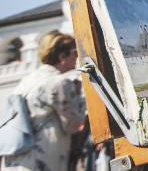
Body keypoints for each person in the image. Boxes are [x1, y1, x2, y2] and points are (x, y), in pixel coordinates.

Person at [3, 31, 87, 171]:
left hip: (19, 158)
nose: (77, 56)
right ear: (62, 56)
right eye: (74, 52)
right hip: (42, 158)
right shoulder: (60, 82)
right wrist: (79, 97)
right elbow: (72, 125)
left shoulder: (28, 80)